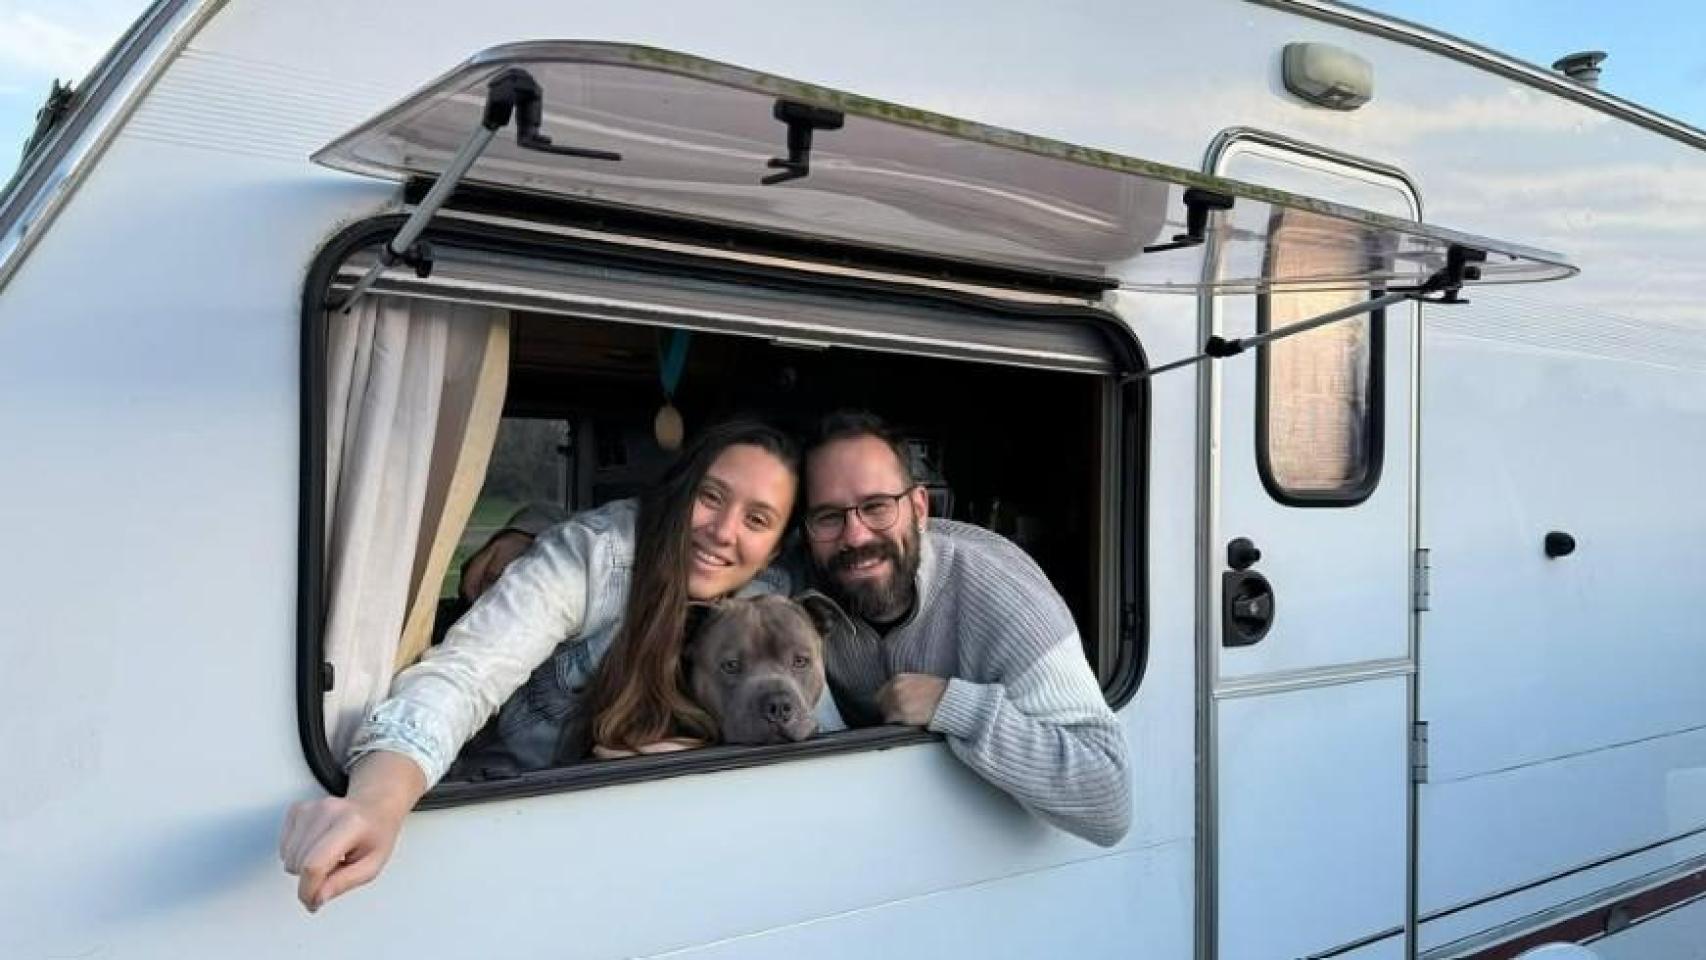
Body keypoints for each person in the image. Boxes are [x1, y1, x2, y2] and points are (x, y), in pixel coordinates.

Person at [280, 420, 829, 912]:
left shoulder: (774, 599)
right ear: (678, 491)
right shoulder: (593, 559)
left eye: (758, 519)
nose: (724, 531)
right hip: (522, 811)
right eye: (711, 497)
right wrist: (378, 803)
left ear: (778, 546)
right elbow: (466, 674)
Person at [796, 411, 1131, 847]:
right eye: (828, 517)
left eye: (876, 506)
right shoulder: (801, 584)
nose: (855, 535)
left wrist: (953, 705)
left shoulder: (1005, 600)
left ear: (918, 508)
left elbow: (1109, 799)